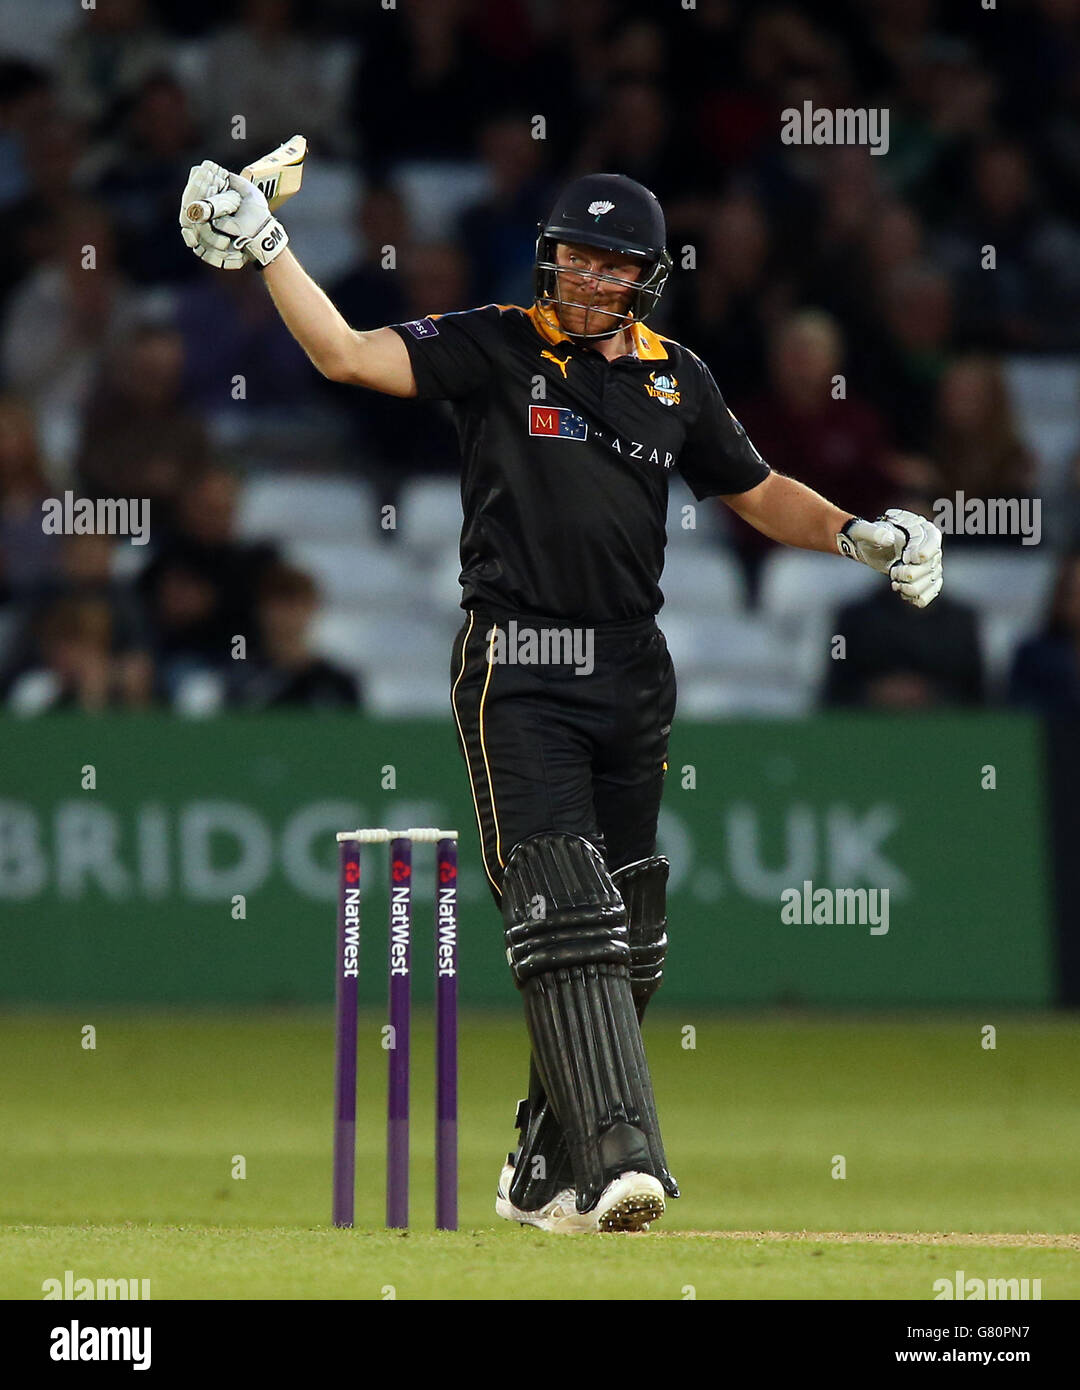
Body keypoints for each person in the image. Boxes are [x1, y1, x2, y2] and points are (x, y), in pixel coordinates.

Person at [178, 158, 944, 1233]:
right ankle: (621, 1157)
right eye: (575, 258)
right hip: (518, 665)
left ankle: (539, 1165)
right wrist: (269, 245)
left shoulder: (677, 378)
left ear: (645, 277)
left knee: (630, 930)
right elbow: (345, 354)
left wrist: (862, 534)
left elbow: (758, 492)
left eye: (613, 264)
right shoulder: (498, 343)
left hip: (634, 669)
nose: (589, 280)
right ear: (549, 259)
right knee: (566, 903)